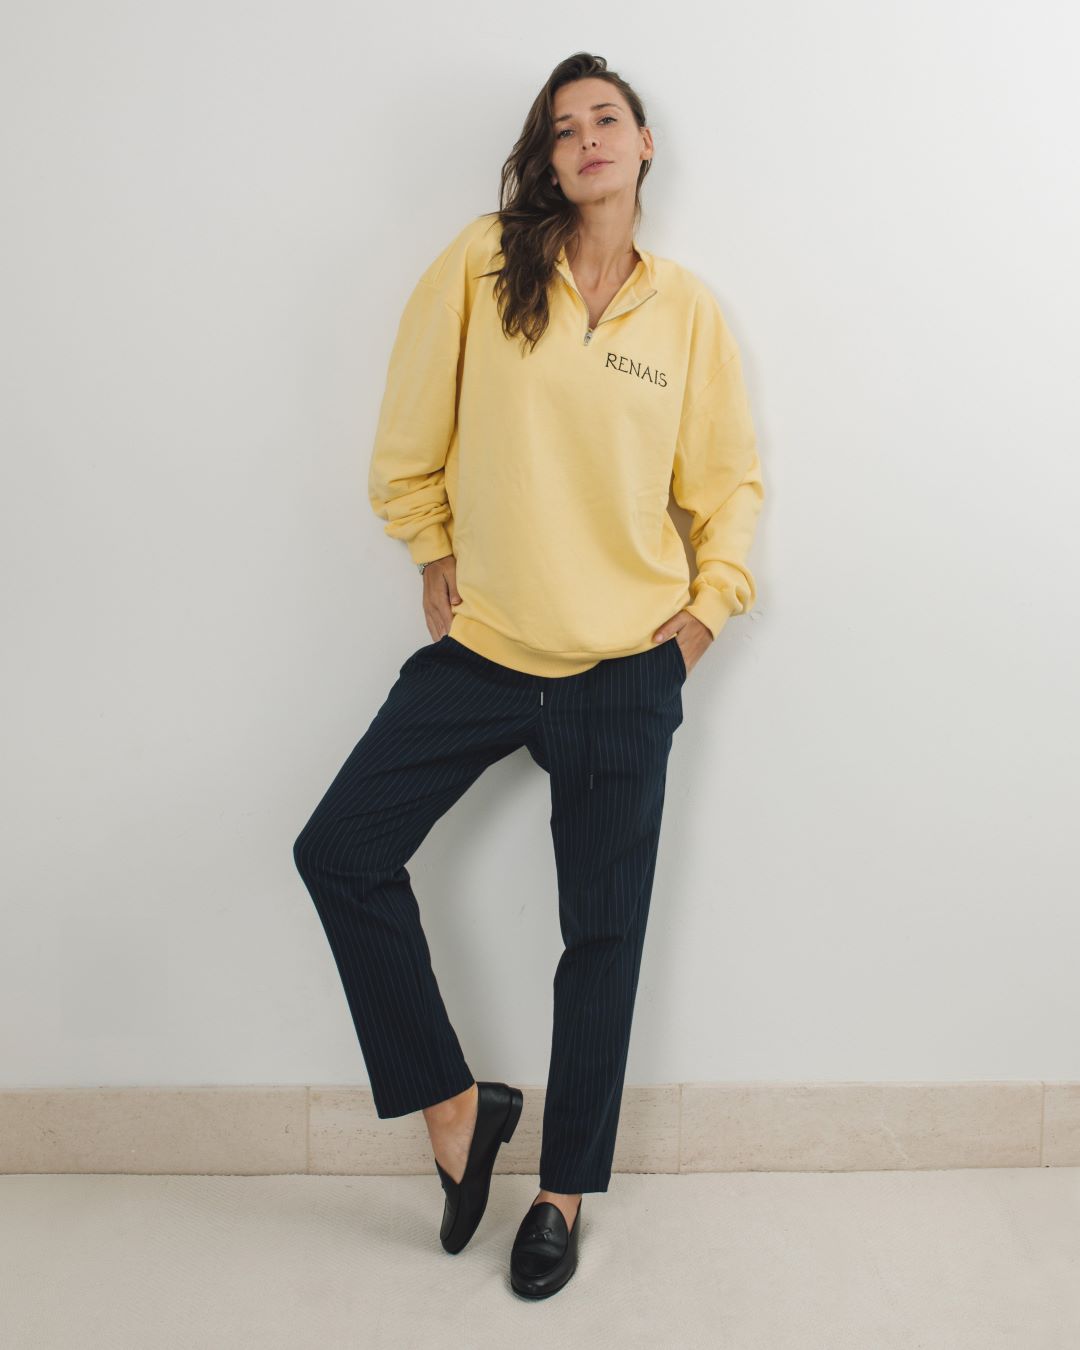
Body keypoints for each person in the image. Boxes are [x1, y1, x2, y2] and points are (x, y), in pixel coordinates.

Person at [292, 50, 764, 1300]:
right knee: (339, 850)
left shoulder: (687, 315)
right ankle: (456, 1108)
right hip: (487, 650)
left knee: (600, 939)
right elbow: (408, 434)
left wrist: (701, 623)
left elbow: (728, 487)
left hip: (623, 671)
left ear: (645, 145)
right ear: (547, 159)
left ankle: (562, 1194)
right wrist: (430, 545)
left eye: (608, 118)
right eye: (563, 128)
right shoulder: (484, 267)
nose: (587, 138)